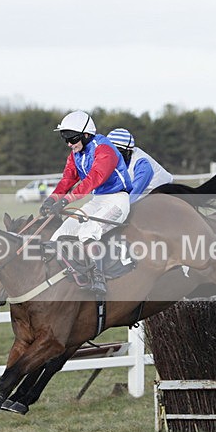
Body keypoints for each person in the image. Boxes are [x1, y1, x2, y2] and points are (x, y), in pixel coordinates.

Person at [39, 110, 133, 294]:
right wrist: (52, 199)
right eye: (64, 138)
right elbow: (67, 179)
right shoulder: (75, 153)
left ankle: (98, 277)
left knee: (88, 233)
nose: (69, 144)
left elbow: (92, 180)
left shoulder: (104, 149)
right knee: (59, 235)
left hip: (117, 200)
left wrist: (66, 200)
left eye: (72, 139)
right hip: (97, 200)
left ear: (86, 135)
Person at [106, 128, 174, 203]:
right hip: (145, 194)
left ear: (128, 152)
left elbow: (134, 192)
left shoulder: (142, 164)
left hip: (163, 193)